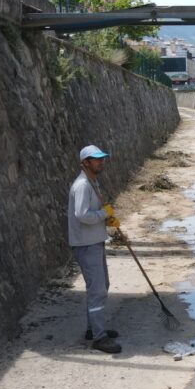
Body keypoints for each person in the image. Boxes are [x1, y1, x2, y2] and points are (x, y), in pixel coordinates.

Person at [67, 144, 122, 354]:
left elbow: (91, 213)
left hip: (93, 241)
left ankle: (94, 328)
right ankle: (99, 337)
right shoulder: (82, 185)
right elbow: (82, 214)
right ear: (85, 163)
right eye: (96, 159)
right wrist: (103, 215)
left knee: (101, 285)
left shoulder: (92, 182)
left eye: (101, 158)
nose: (101, 162)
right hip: (86, 244)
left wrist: (106, 219)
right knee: (97, 290)